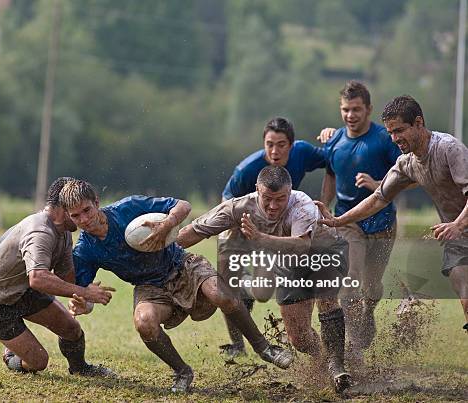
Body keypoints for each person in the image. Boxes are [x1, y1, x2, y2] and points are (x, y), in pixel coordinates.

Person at [59, 180, 294, 393]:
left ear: (96, 203)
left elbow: (183, 205)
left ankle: (265, 349)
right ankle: (182, 371)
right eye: (76, 216)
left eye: (87, 210)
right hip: (149, 286)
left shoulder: (127, 208)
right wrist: (83, 304)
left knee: (221, 294)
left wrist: (168, 223)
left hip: (181, 264)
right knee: (144, 322)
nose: (84, 220)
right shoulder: (84, 251)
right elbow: (85, 296)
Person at [178, 166, 352, 393]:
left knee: (325, 296)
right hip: (289, 264)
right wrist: (159, 248)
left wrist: (260, 238)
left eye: (280, 199)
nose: (273, 206)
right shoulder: (239, 207)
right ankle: (322, 358)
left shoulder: (302, 205)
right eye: (267, 198)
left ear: (289, 193)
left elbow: (302, 246)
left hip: (325, 251)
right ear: (256, 190)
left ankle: (337, 366)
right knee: (298, 338)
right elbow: (196, 230)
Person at [317, 95, 468, 332]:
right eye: (390, 133)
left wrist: (458, 224)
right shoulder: (406, 163)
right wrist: (338, 220)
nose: (395, 138)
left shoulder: (448, 148)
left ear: (419, 123)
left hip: (458, 226)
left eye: (399, 130)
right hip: (457, 237)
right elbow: (378, 198)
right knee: (464, 292)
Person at [0, 177, 115, 375]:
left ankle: (80, 369)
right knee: (38, 361)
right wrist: (84, 292)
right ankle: (12, 356)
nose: (83, 219)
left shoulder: (64, 232)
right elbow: (37, 277)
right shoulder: (40, 230)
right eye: (76, 210)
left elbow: (66, 280)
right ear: (64, 208)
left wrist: (81, 300)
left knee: (71, 329)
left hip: (24, 292)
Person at [220, 117, 327, 357]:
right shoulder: (247, 169)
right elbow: (226, 202)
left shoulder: (304, 152)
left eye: (280, 144)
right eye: (269, 144)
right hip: (254, 228)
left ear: (292, 144)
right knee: (258, 291)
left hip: (290, 229)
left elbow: (334, 157)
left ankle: (326, 348)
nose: (274, 151)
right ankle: (237, 343)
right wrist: (242, 231)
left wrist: (334, 134)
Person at [318, 81, 402, 359]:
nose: (350, 115)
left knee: (372, 286)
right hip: (347, 222)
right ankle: (354, 346)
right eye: (345, 110)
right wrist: (325, 209)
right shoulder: (334, 142)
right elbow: (330, 175)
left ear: (369, 110)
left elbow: (410, 177)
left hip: (382, 222)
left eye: (356, 110)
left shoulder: (384, 140)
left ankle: (368, 312)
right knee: (350, 281)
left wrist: (378, 183)